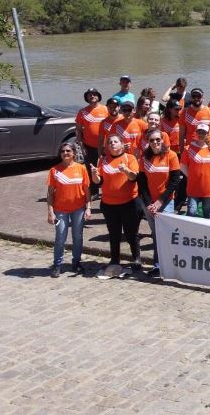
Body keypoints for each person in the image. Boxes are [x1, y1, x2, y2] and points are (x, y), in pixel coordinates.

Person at [90, 134, 142, 272]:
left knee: (131, 233)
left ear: (122, 144)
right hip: (109, 204)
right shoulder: (103, 161)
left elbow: (134, 178)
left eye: (115, 141)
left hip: (129, 203)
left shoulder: (129, 158)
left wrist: (126, 170)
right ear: (107, 146)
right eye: (110, 142)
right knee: (114, 233)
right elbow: (98, 181)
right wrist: (94, 175)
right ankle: (114, 259)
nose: (112, 144)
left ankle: (136, 258)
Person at [137, 128, 182, 277]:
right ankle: (157, 265)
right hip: (149, 203)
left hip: (166, 201)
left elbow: (175, 182)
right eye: (152, 140)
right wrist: (150, 203)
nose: (155, 142)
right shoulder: (144, 158)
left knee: (167, 234)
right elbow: (142, 183)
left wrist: (160, 202)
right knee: (156, 234)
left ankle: (172, 265)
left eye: (158, 139)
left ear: (162, 140)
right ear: (148, 142)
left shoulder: (172, 156)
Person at [46, 141, 90, 277]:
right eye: (63, 151)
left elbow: (87, 191)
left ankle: (76, 262)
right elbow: (49, 194)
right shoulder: (54, 170)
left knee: (78, 236)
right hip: (60, 211)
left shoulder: (81, 169)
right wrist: (50, 212)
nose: (65, 153)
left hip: (79, 209)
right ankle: (57, 264)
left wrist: (88, 208)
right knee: (60, 236)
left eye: (68, 151)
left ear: (74, 153)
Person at [181, 122, 210, 219]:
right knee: (191, 211)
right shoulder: (188, 149)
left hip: (208, 188)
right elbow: (182, 166)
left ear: (208, 134)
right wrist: (191, 177)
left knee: (207, 212)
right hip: (193, 187)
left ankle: (208, 233)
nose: (201, 134)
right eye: (199, 132)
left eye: (203, 133)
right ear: (196, 133)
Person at [75, 88, 108, 198]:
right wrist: (81, 146)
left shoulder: (106, 109)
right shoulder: (82, 112)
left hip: (106, 146)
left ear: (98, 96)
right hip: (89, 146)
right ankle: (94, 192)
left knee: (107, 168)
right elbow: (78, 130)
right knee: (91, 169)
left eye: (94, 94)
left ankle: (108, 191)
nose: (92, 96)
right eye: (89, 95)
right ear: (86, 98)